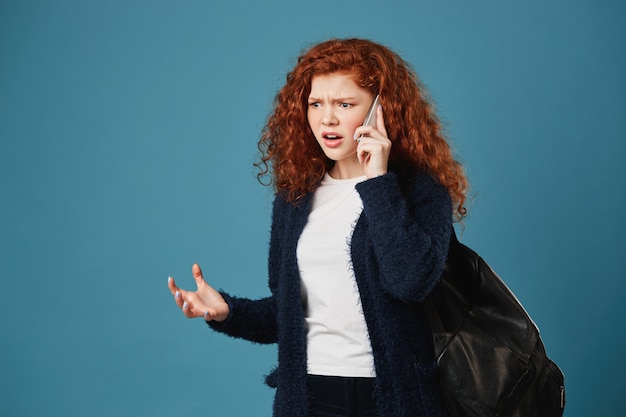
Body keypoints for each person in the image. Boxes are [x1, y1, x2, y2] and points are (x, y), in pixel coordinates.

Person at [167, 38, 468, 417]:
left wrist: (376, 180)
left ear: (381, 110)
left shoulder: (418, 191)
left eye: (344, 104)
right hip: (308, 397)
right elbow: (286, 313)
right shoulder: (295, 199)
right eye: (316, 104)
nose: (327, 118)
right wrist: (227, 311)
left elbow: (410, 281)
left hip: (395, 398)